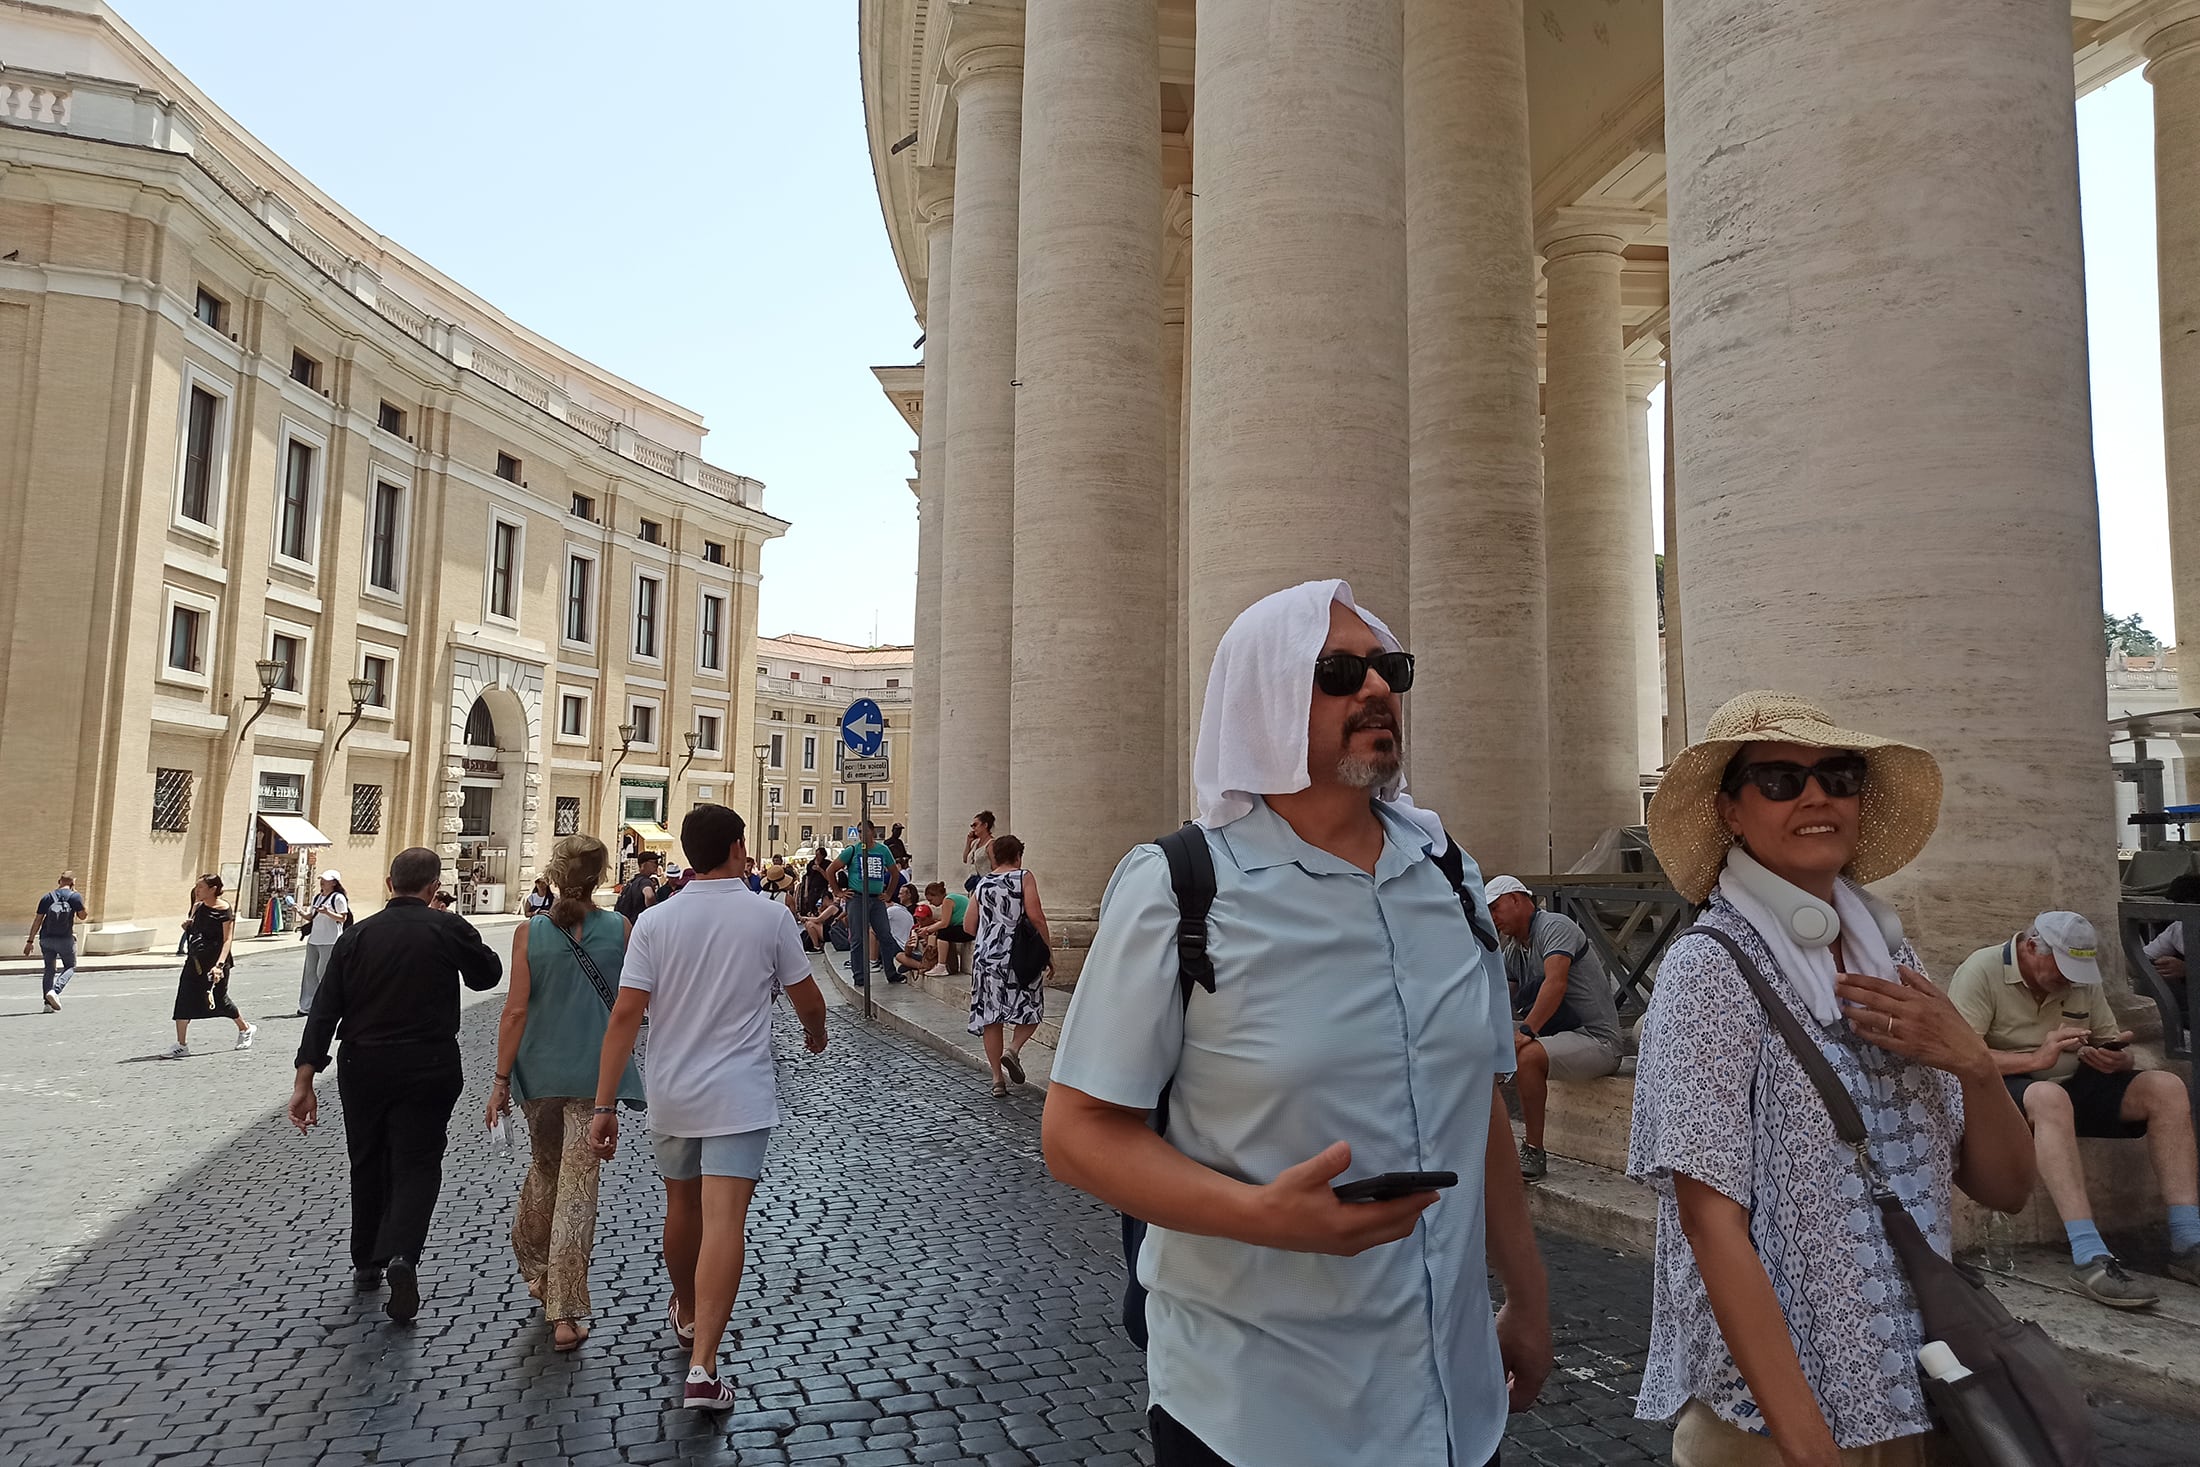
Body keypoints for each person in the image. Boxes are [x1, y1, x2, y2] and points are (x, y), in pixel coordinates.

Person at [1043, 580, 1549, 1467]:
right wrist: (1262, 1215)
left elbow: (1476, 1101)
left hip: (1454, 1412)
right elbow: (1077, 1134)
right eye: (1339, 673)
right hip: (1260, 1412)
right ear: (1263, 697)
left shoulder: (1450, 875)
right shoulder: (1176, 887)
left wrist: (1529, 1298)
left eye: (1389, 670)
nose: (1376, 690)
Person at [1630, 691, 2035, 1467]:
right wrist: (1808, 1445)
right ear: (1732, 813)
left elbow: (2006, 1187)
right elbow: (1711, 1225)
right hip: (1779, 1427)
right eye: (1779, 778)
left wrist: (1976, 1066)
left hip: (1916, 1393)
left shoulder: (1897, 965)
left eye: (1838, 775)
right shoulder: (1708, 968)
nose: (1815, 795)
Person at [588, 805, 828, 1411]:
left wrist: (604, 1102)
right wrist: (815, 1035)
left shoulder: (654, 921)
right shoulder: (770, 916)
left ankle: (688, 1310)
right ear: (739, 847)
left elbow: (625, 1015)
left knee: (681, 1205)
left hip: (673, 1088)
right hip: (740, 1093)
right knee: (726, 1221)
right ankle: (703, 1368)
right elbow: (809, 1000)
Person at [288, 847, 504, 1324]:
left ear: (389, 884)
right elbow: (488, 975)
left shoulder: (357, 936)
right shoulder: (446, 928)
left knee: (366, 1157)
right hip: (429, 1060)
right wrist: (454, 924)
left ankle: (366, 1260)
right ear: (433, 888)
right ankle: (403, 1253)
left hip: (363, 1063)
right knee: (419, 1160)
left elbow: (325, 1010)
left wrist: (305, 1079)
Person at [1946, 911, 2200, 1305]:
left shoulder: (2079, 979)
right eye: (2061, 968)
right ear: (2031, 947)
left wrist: (2120, 1059)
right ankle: (2089, 1255)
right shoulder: (1981, 970)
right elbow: (1960, 1056)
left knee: (2165, 1087)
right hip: (2003, 1089)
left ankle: (2188, 1241)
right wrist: (2036, 1060)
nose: (2068, 979)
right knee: (2050, 1098)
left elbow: (2109, 1038)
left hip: (2072, 1082)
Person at [487, 835, 643, 1352]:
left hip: (539, 1076)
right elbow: (630, 1007)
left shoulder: (529, 933)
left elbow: (514, 1012)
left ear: (553, 876)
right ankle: (566, 1310)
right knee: (577, 1190)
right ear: (600, 878)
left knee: (546, 1170)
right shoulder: (619, 929)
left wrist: (500, 1080)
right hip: (594, 1078)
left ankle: (540, 1274)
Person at [1484, 875, 1625, 1182]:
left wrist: (1525, 1032)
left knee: (1527, 1056)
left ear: (1517, 899)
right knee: (1479, 1044)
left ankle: (1534, 1149)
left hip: (1597, 1041)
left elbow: (1555, 983)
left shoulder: (1555, 927)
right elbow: (1499, 999)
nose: (1493, 917)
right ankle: (1485, 1142)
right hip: (1560, 1036)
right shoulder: (1513, 950)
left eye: (1495, 908)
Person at [960, 834, 1051, 1096]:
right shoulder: (1023, 877)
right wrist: (1048, 952)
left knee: (991, 1018)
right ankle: (1013, 1050)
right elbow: (1036, 917)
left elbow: (968, 926)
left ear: (993, 857)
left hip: (986, 959)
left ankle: (997, 1080)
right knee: (1032, 1007)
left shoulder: (982, 884)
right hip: (1018, 956)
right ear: (1018, 856)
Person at [172, 874, 255, 1056]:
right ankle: (181, 1045)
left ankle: (245, 1028)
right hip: (195, 960)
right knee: (184, 998)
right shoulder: (198, 906)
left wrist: (219, 965)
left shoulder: (224, 909)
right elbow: (196, 930)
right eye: (197, 886)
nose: (197, 890)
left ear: (213, 889)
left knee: (219, 999)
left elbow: (227, 940)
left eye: (201, 887)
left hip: (215, 962)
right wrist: (188, 926)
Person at [828, 821, 902, 988]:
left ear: (872, 831)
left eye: (864, 831)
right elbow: (831, 869)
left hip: (877, 899)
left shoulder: (883, 850)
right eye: (859, 832)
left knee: (885, 935)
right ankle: (859, 975)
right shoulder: (853, 850)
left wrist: (889, 893)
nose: (861, 835)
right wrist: (838, 892)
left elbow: (894, 873)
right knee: (857, 938)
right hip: (857, 897)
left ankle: (891, 972)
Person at [24, 869, 87, 1012]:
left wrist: (30, 941)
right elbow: (83, 916)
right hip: (65, 939)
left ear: (59, 881)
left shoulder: (47, 897)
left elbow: (38, 920)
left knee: (49, 970)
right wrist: (77, 897)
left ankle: (47, 1004)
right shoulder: (75, 897)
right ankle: (55, 991)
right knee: (70, 966)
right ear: (72, 882)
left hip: (46, 938)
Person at [298, 871, 352, 1015]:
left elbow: (342, 918)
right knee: (310, 973)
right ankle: (307, 1005)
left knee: (323, 973)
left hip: (330, 940)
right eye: (321, 879)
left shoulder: (338, 898)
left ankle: (330, 1003)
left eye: (326, 880)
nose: (322, 882)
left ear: (334, 882)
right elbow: (312, 917)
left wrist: (328, 912)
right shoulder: (317, 897)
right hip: (314, 939)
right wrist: (300, 912)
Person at [2142, 872, 2200, 987]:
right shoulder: (2179, 927)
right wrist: (2161, 965)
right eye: (2177, 905)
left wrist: (2188, 969)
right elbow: (2145, 956)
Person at [916, 879, 971, 975]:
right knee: (943, 932)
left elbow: (944, 923)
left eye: (931, 900)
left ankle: (941, 965)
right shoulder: (951, 898)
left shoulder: (948, 900)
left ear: (937, 896)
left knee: (943, 933)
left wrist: (927, 929)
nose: (930, 903)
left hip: (968, 929)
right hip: (967, 927)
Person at [792, 857, 842, 952]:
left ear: (827, 899)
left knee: (810, 924)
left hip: (831, 932)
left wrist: (805, 918)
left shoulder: (832, 907)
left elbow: (819, 919)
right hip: (828, 930)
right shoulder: (831, 907)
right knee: (810, 923)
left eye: (823, 900)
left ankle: (816, 946)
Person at [616, 851, 662, 925]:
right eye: (655, 862)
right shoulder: (645, 881)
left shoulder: (634, 881)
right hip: (641, 924)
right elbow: (649, 896)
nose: (657, 865)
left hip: (629, 923)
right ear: (643, 864)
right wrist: (652, 912)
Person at [964, 811, 996, 892]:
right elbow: (965, 859)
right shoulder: (975, 843)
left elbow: (995, 866)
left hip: (986, 884)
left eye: (975, 825)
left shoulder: (991, 844)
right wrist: (968, 842)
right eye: (972, 826)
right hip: (973, 884)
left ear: (985, 825)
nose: (973, 828)